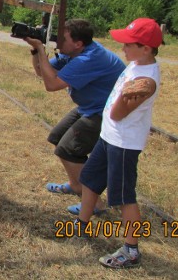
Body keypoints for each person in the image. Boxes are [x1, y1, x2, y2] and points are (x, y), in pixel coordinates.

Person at [74, 18, 163, 268]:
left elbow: (117, 114)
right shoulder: (137, 64)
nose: (123, 48)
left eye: (128, 44)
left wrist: (126, 96)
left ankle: (131, 250)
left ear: (146, 48)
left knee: (123, 197)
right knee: (90, 179)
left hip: (124, 144)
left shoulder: (147, 81)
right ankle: (81, 224)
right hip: (109, 137)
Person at [23, 19, 125, 214]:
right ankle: (75, 184)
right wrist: (36, 50)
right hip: (90, 106)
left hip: (105, 112)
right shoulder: (72, 52)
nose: (58, 41)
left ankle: (93, 202)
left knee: (68, 149)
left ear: (78, 43)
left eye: (63, 38)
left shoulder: (88, 59)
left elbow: (51, 85)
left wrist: (42, 51)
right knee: (57, 137)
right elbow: (41, 72)